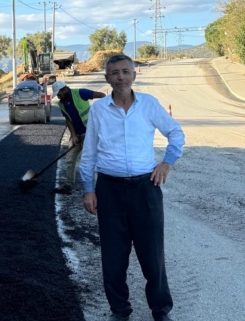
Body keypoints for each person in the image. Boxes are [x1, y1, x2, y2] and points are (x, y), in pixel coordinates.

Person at [79, 54, 185, 321]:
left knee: (153, 255)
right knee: (113, 257)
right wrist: (88, 189)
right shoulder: (99, 110)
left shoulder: (149, 105)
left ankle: (160, 311)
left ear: (134, 75)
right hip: (109, 190)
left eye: (126, 71)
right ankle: (120, 311)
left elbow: (176, 133)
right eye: (114, 73)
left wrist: (167, 163)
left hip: (145, 188)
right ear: (107, 79)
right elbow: (89, 152)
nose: (121, 77)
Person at [51, 80, 106, 195]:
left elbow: (102, 95)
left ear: (64, 90)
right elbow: (68, 120)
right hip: (77, 136)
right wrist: (74, 135)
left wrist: (100, 113)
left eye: (59, 93)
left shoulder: (80, 93)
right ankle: (68, 186)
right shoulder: (61, 104)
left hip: (91, 134)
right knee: (70, 159)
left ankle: (99, 188)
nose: (58, 96)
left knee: (90, 161)